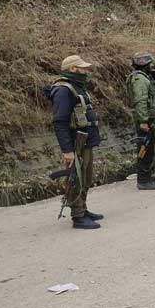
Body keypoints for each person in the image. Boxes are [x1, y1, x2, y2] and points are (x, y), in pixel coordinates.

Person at [47, 55, 103, 229]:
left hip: (85, 139)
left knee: (86, 177)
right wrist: (67, 150)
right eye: (82, 68)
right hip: (75, 142)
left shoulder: (77, 87)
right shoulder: (63, 90)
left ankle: (83, 208)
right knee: (75, 178)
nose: (86, 70)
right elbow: (60, 121)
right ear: (72, 69)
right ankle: (77, 216)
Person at [126, 52, 155, 190]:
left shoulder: (142, 78)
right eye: (149, 65)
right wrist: (143, 121)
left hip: (148, 117)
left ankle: (148, 175)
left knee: (148, 148)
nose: (151, 67)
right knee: (144, 149)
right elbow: (140, 101)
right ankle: (143, 180)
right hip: (145, 118)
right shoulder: (140, 80)